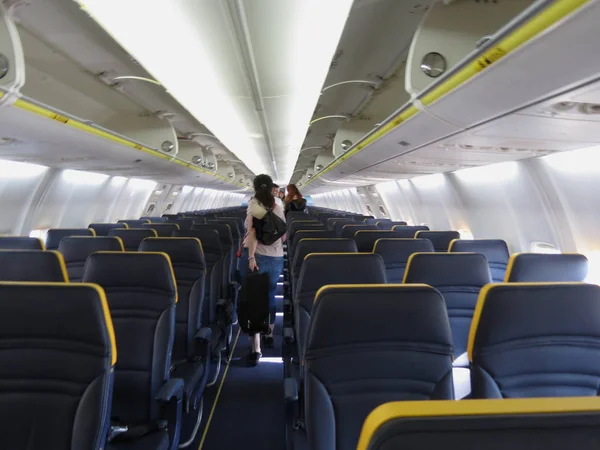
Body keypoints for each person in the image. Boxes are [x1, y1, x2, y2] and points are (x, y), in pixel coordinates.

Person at [238, 174, 286, 365]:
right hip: (276, 257)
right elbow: (283, 236)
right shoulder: (278, 204)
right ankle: (270, 334)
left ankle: (256, 349)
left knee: (253, 300)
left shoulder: (254, 204)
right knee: (270, 295)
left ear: (255, 187)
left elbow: (252, 233)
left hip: (256, 257)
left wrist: (250, 257)